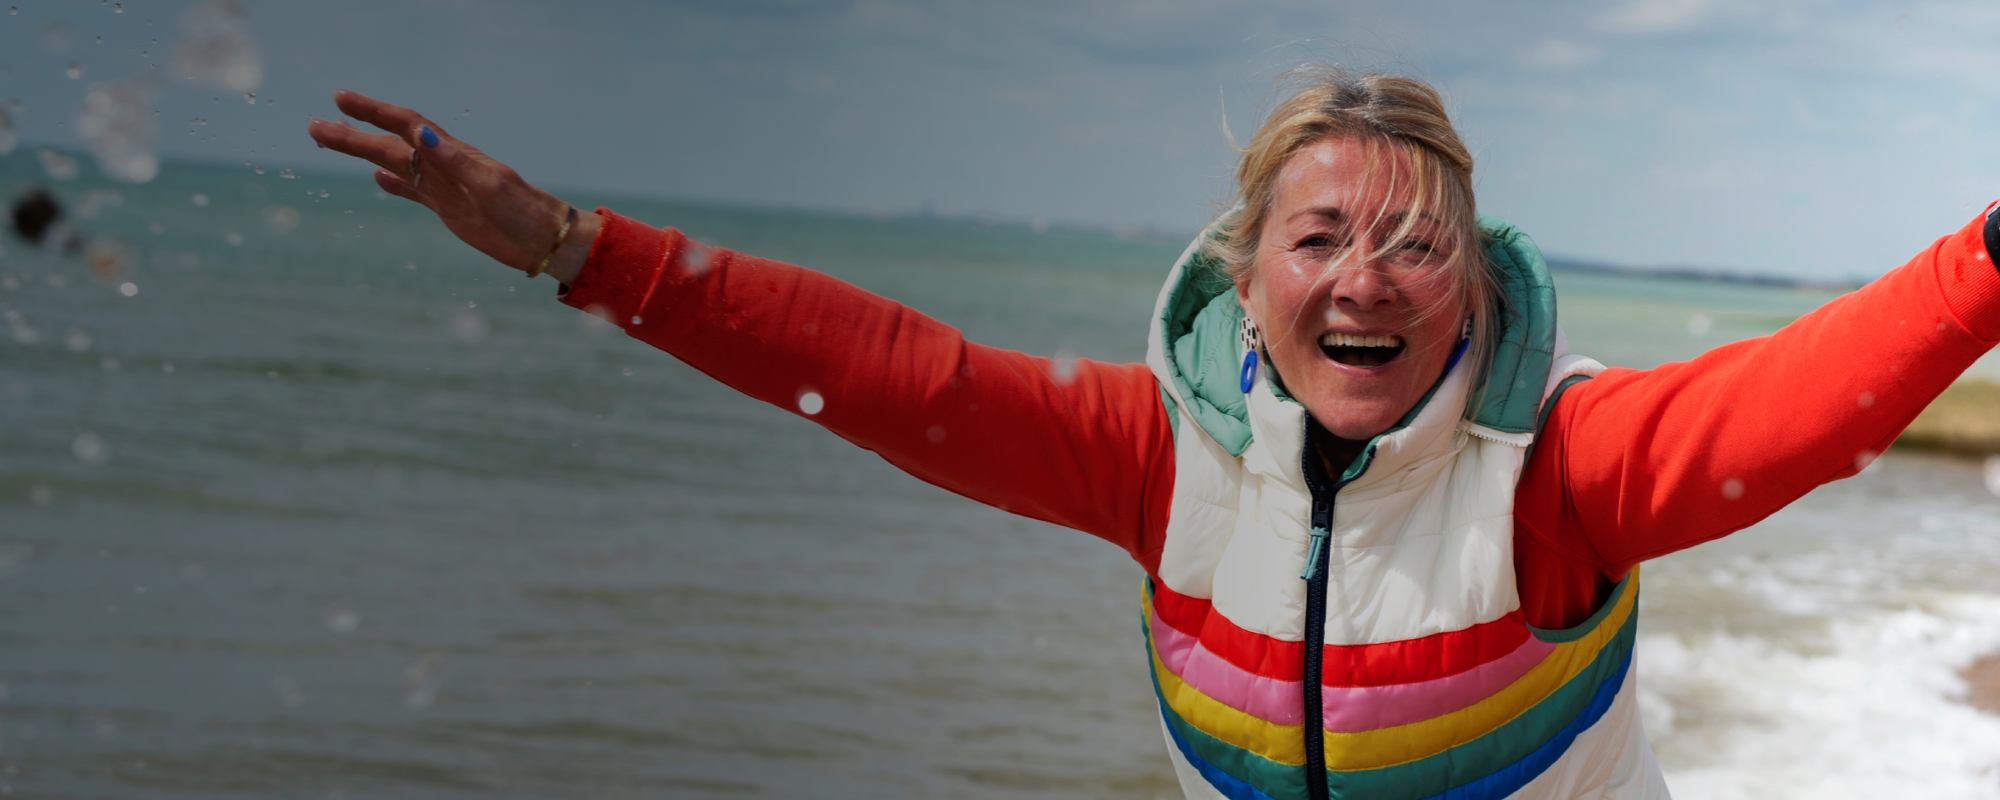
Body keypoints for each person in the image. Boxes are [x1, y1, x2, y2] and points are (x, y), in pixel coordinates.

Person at [307, 67, 2000, 799]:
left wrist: (1989, 265)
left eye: (1417, 244)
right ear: (1246, 273)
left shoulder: (1558, 471)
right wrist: (572, 248)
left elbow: (1805, 396)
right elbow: (893, 374)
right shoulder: (1159, 458)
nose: (1367, 279)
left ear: (1474, 285)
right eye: (1321, 237)